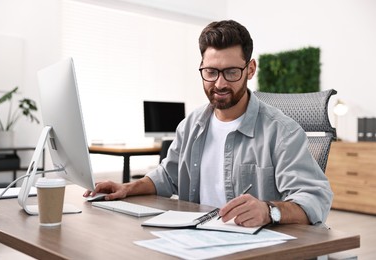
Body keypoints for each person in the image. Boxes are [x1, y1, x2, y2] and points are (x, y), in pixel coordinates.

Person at [84, 20, 333, 227]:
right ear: (202, 68)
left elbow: (316, 199)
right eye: (211, 72)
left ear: (250, 69)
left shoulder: (282, 132)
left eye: (232, 72)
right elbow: (168, 177)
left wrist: (269, 211)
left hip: (257, 247)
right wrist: (127, 188)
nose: (220, 84)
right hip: (197, 239)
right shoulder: (191, 124)